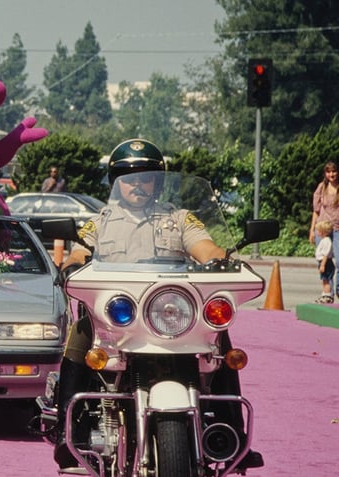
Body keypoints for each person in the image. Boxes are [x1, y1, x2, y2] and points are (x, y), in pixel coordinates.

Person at [52, 138, 262, 470]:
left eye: (145, 176)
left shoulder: (178, 219)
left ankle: (231, 432)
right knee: (79, 334)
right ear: (116, 183)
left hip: (168, 318)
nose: (137, 183)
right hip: (118, 319)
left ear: (157, 181)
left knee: (218, 342)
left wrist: (226, 260)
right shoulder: (102, 221)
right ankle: (69, 431)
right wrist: (72, 263)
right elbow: (80, 251)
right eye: (128, 177)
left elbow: (206, 248)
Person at [310, 160, 339, 299]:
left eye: (334, 171)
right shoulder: (322, 188)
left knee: (338, 261)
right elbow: (315, 210)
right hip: (322, 229)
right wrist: (312, 230)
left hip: (337, 229)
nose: (331, 174)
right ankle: (328, 292)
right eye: (328, 172)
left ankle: (338, 290)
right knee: (323, 261)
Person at [314, 220, 334, 304]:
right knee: (324, 280)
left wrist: (323, 265)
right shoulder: (324, 240)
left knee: (326, 280)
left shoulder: (327, 241)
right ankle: (324, 294)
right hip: (322, 262)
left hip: (326, 262)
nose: (317, 232)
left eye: (318, 231)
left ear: (323, 232)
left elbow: (325, 254)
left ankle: (327, 296)